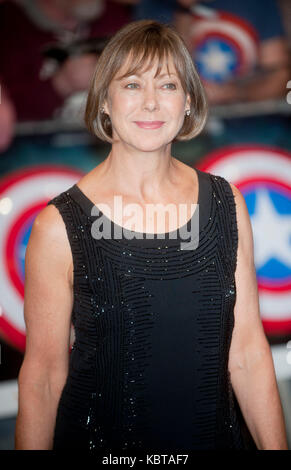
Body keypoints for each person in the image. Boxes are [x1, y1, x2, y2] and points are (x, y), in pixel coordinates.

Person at [15, 20, 288, 451]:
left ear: (187, 103)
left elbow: (249, 353)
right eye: (131, 85)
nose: (150, 103)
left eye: (166, 85)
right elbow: (43, 378)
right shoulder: (59, 226)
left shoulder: (226, 203)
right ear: (104, 100)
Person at [0, 0, 132, 152]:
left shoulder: (113, 14)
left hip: (107, 145)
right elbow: (8, 119)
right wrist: (61, 84)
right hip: (37, 148)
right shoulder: (10, 25)